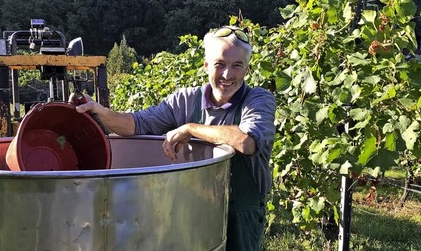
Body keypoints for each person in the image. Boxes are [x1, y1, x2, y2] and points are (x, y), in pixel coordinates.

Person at [70, 25, 277, 250]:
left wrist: (190, 129)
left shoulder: (258, 100)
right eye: (220, 64)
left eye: (237, 66)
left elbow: (246, 141)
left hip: (240, 216)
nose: (228, 74)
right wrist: (100, 112)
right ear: (206, 65)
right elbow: (137, 124)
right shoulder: (185, 100)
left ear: (246, 69)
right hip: (192, 209)